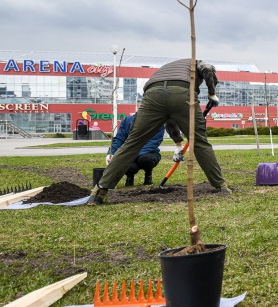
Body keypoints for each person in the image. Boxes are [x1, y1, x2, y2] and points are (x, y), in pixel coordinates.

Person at [87, 59, 227, 205]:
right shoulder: (195, 61)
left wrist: (178, 144)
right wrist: (212, 94)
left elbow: (169, 116)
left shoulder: (166, 69)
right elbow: (208, 68)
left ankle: (98, 192)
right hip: (182, 93)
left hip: (152, 94)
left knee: (132, 143)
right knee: (199, 142)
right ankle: (221, 186)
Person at [107, 113, 168, 186]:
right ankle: (130, 177)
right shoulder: (128, 121)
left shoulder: (157, 122)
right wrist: (111, 153)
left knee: (146, 159)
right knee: (128, 166)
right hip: (130, 153)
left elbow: (153, 142)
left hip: (147, 153)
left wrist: (132, 154)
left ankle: (148, 174)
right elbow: (119, 139)